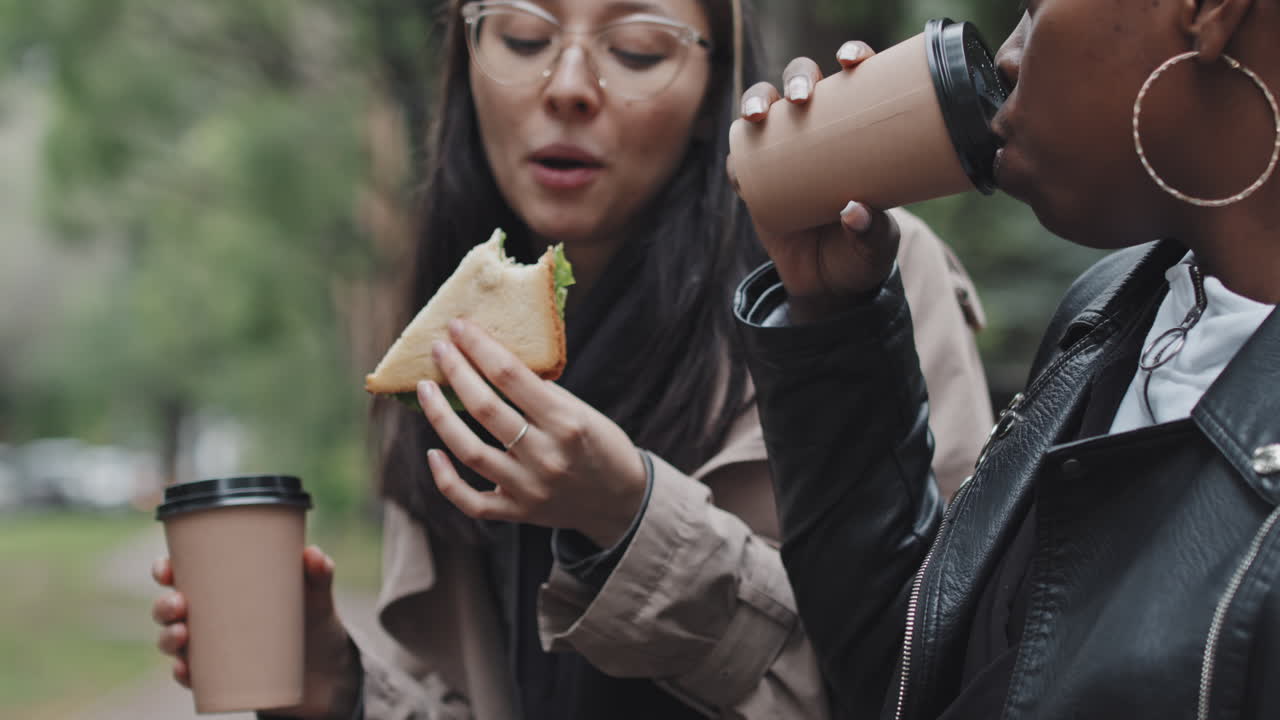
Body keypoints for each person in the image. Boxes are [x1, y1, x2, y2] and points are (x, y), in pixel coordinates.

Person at [150, 0, 993, 718]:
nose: (566, 87)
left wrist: (629, 518)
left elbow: (945, 678)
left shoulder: (858, 275)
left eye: (636, 49)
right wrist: (336, 685)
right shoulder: (452, 328)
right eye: (522, 36)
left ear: (712, 88)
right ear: (465, 58)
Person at [730, 0, 1280, 718]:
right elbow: (919, 684)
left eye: (1033, 6)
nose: (1009, 56)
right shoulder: (1115, 309)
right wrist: (834, 319)